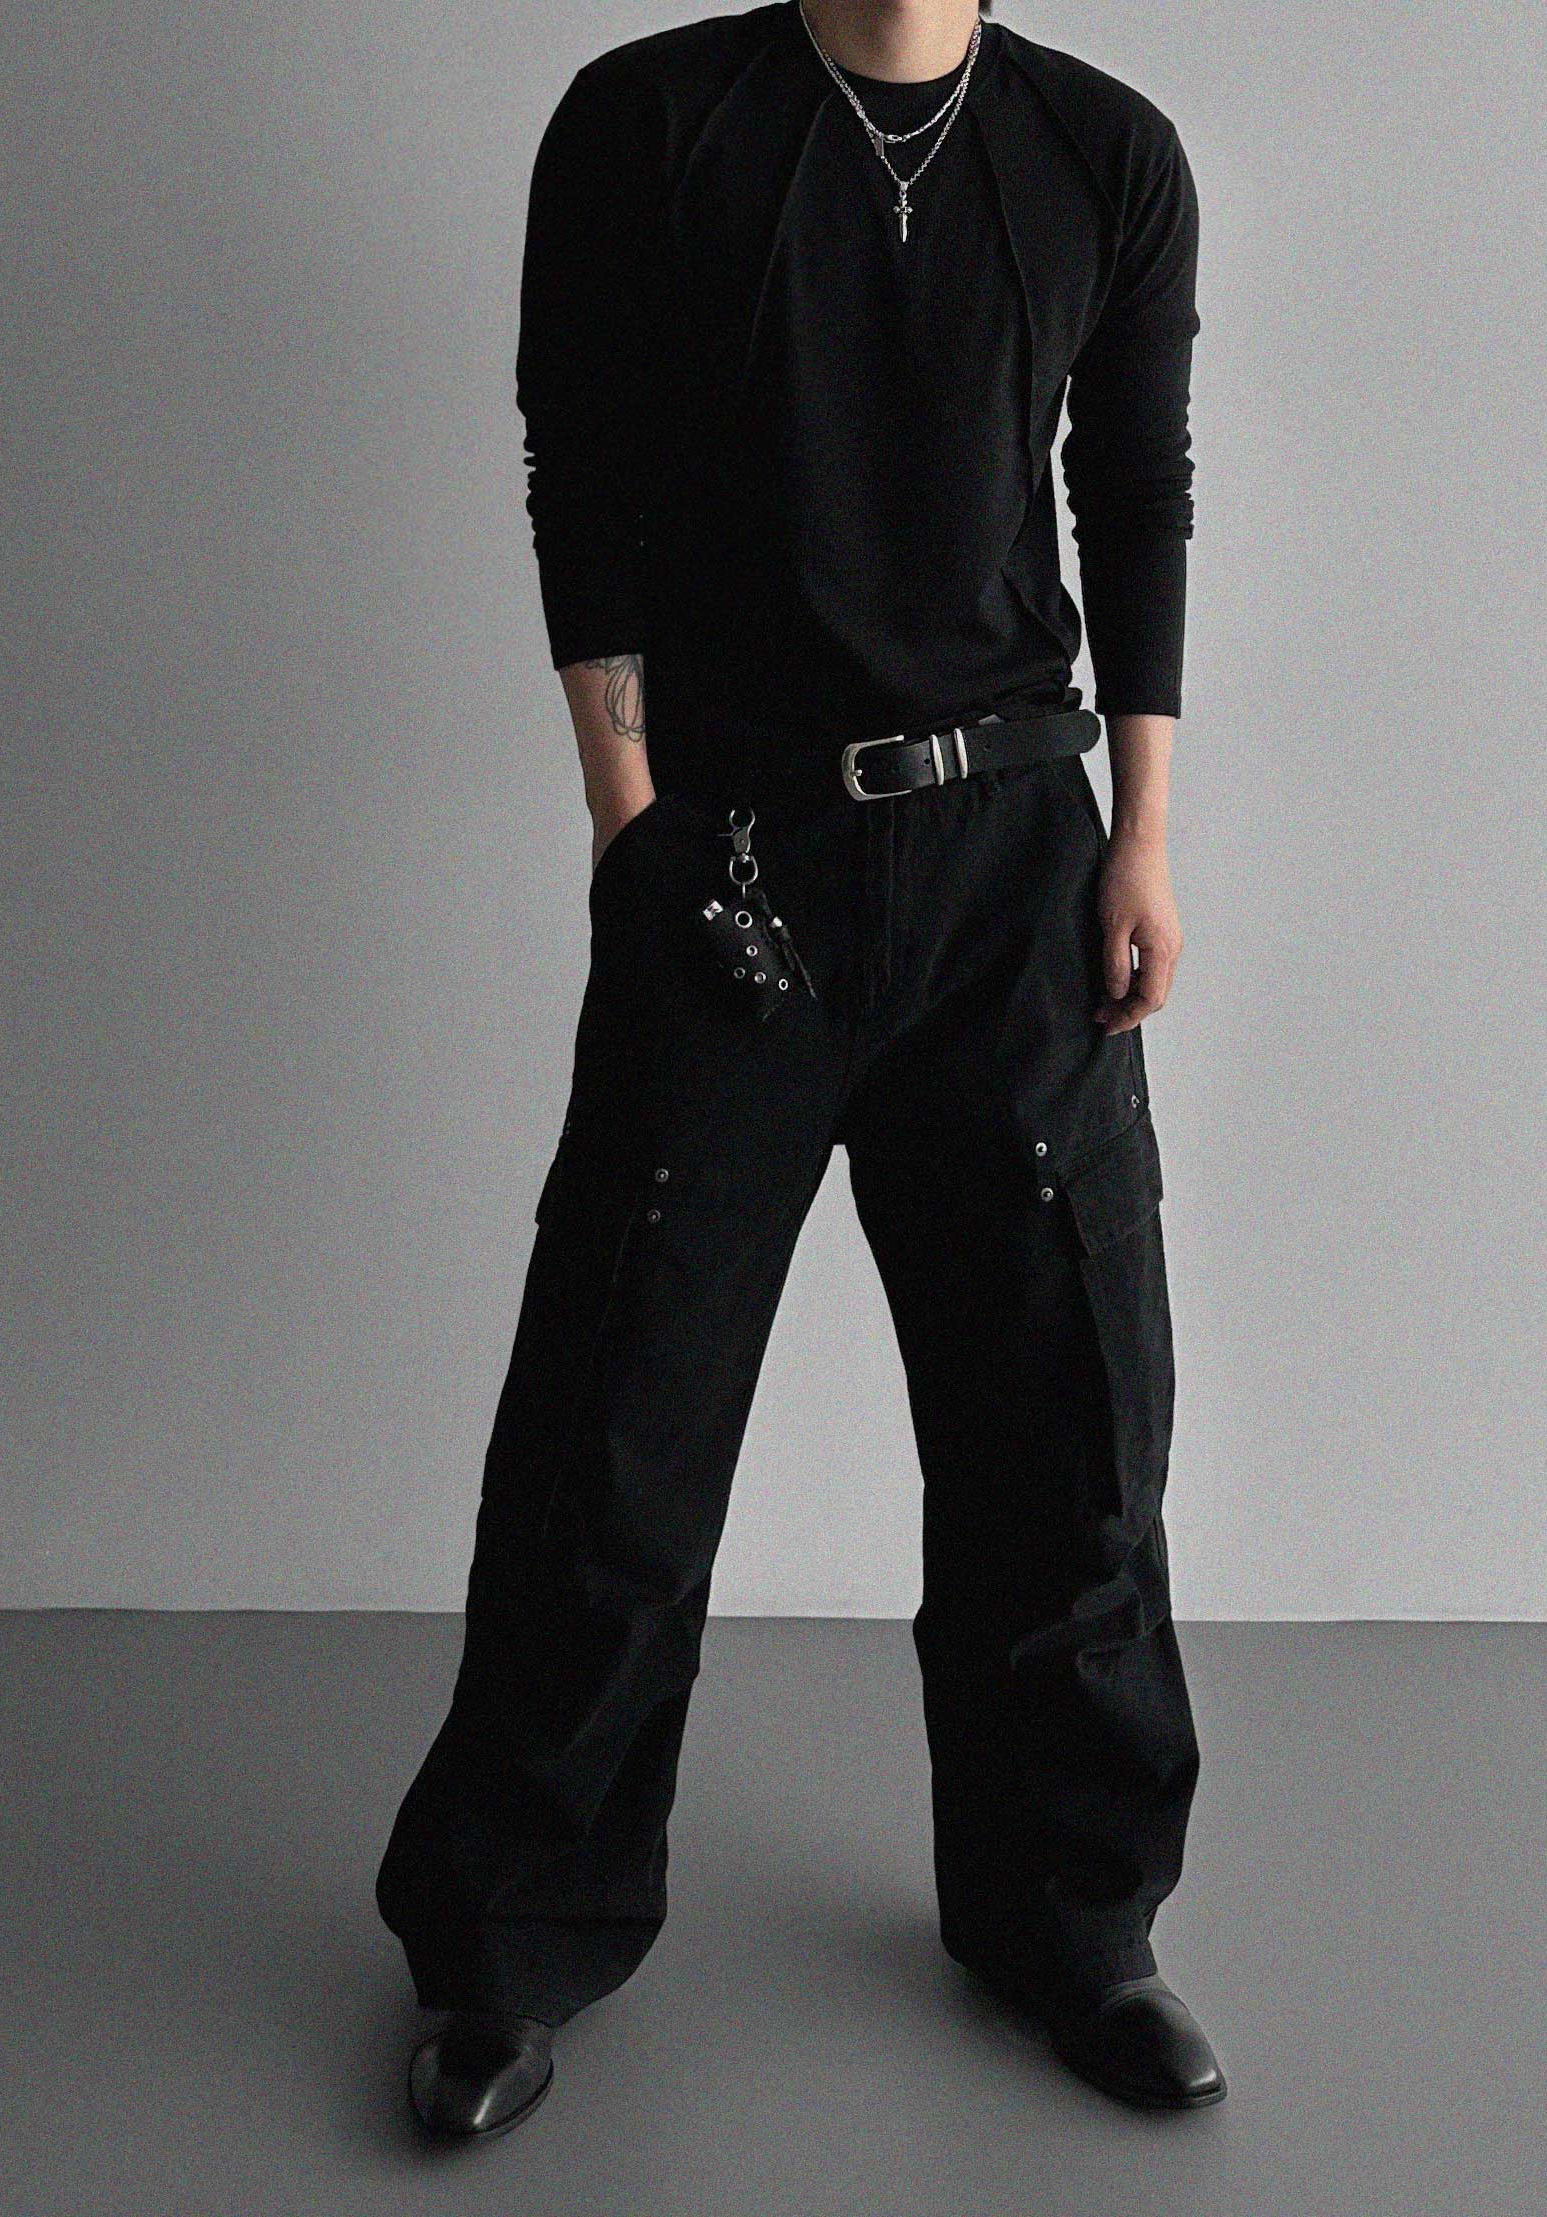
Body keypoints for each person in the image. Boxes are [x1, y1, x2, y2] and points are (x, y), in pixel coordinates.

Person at [378, 0, 1226, 2141]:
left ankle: (1074, 1918)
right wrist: (629, 824)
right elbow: (579, 468)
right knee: (620, 1418)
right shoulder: (651, 122)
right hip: (736, 851)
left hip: (1014, 859)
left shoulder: (1106, 153)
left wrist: (1140, 834)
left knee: (1066, 1413)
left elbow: (1133, 488)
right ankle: (510, 1939)